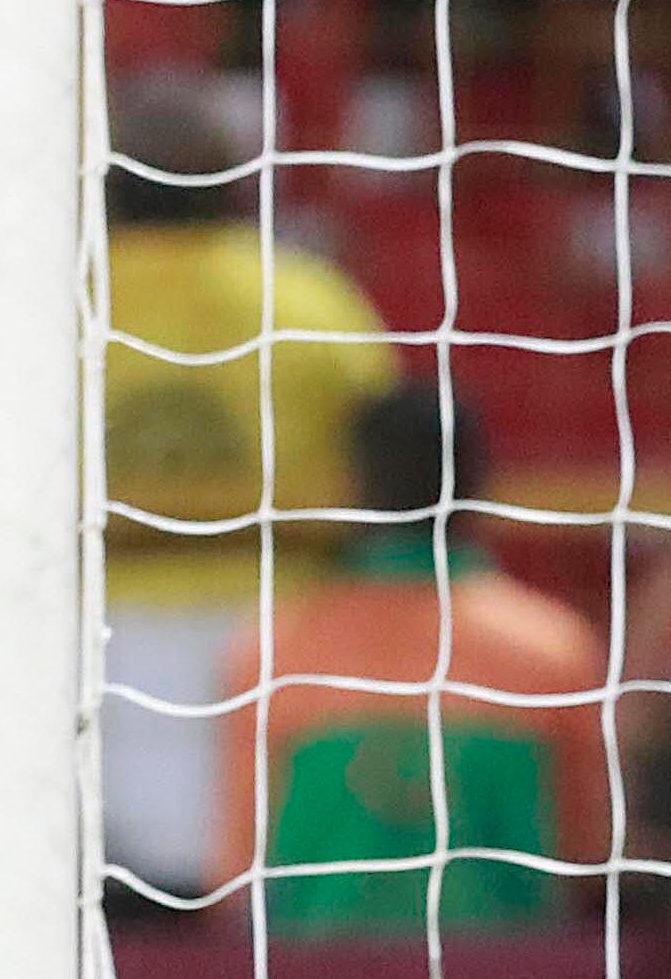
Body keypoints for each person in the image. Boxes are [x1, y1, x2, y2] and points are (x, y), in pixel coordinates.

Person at [102, 67, 399, 900]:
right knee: (250, 896)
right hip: (281, 640)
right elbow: (393, 461)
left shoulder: (57, 299)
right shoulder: (311, 300)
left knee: (119, 901)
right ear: (234, 181)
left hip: (92, 636)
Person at [210, 384, 611, 933]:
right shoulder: (553, 649)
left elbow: (234, 880)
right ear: (480, 482)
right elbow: (587, 859)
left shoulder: (272, 651)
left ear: (354, 486)